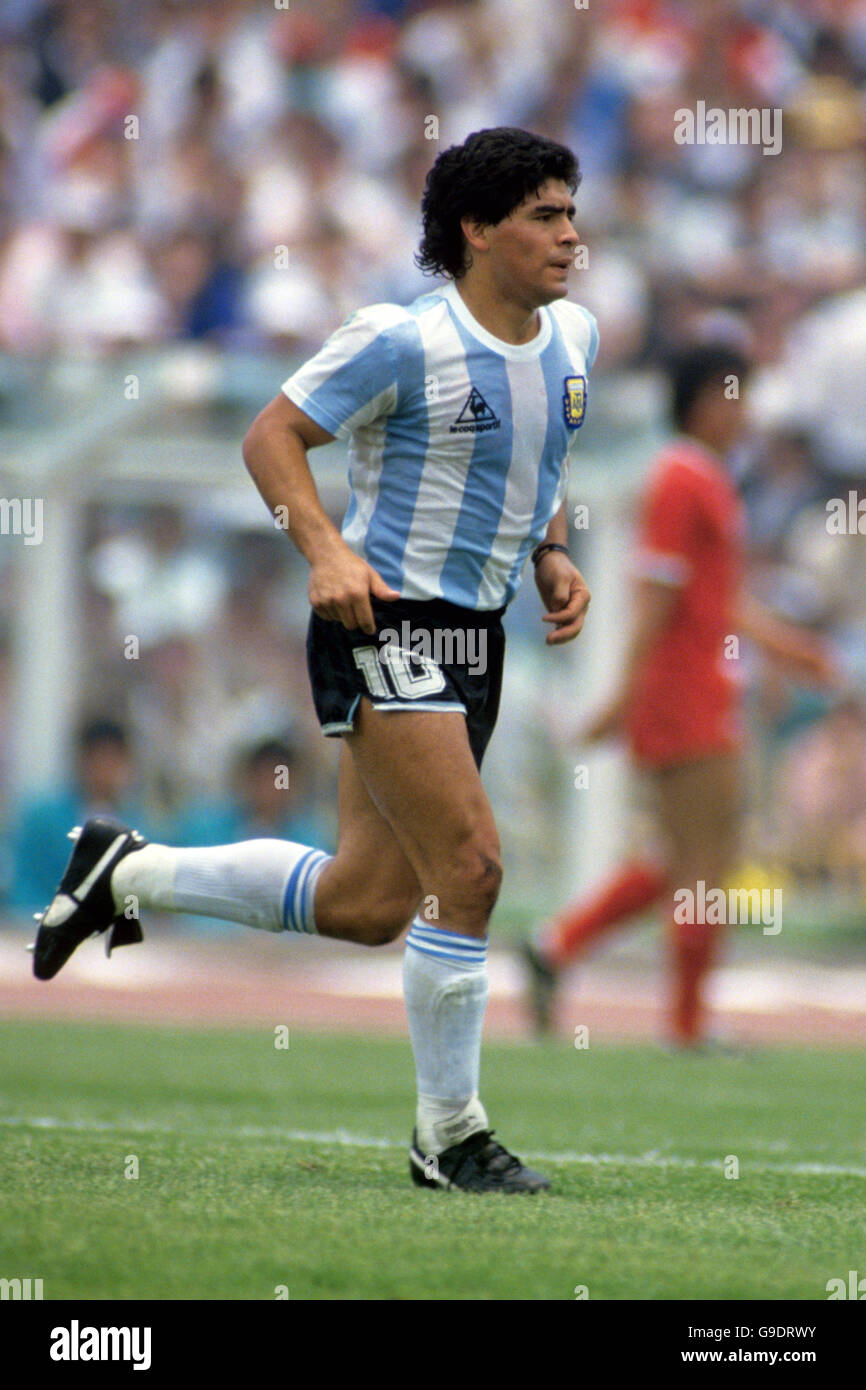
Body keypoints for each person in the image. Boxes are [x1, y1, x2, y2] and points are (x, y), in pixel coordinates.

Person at [32, 127, 597, 1193]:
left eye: (570, 211)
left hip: (475, 638)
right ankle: (450, 1134)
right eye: (543, 215)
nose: (570, 234)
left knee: (366, 904)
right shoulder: (397, 338)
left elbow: (541, 457)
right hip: (380, 624)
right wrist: (325, 549)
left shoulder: (575, 340)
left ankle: (128, 870)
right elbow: (270, 437)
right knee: (471, 869)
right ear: (477, 231)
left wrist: (553, 553)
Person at [524, 343, 834, 1046]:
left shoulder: (698, 478)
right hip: (683, 693)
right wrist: (625, 696)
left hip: (692, 686)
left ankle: (556, 947)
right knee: (703, 862)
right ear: (705, 401)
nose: (745, 413)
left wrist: (787, 649)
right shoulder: (683, 479)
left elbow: (709, 600)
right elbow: (654, 598)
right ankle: (686, 1026)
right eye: (737, 397)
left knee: (684, 856)